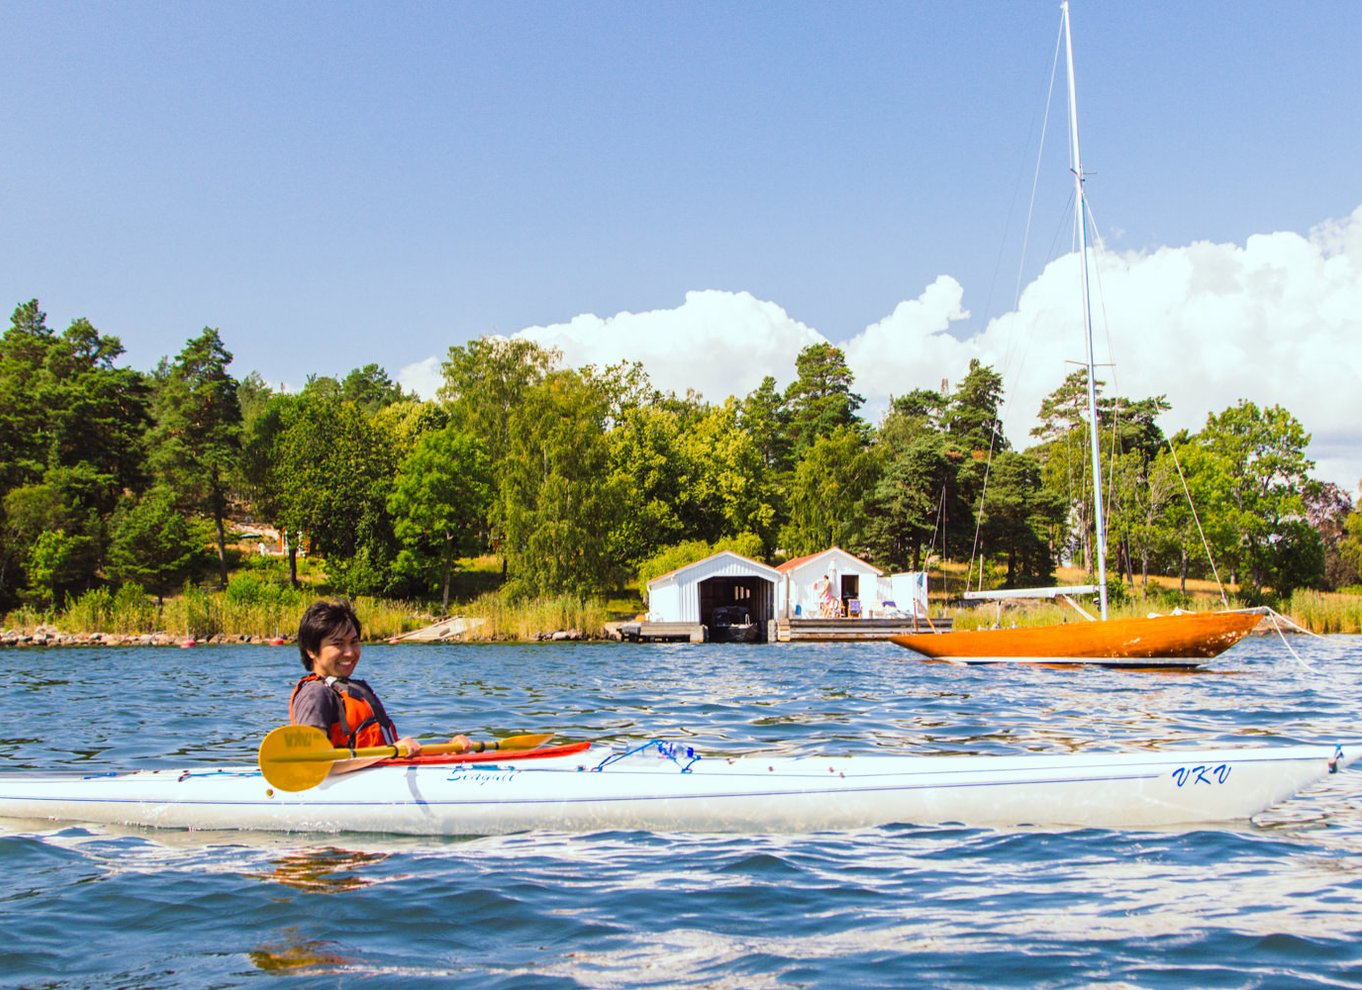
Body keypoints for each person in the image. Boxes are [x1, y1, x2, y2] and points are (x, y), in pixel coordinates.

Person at [289, 600, 469, 768]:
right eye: (338, 644)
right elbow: (312, 764)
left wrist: (445, 749)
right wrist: (387, 755)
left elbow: (389, 754)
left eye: (354, 642)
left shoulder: (351, 689)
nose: (350, 653)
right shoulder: (315, 694)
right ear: (312, 651)